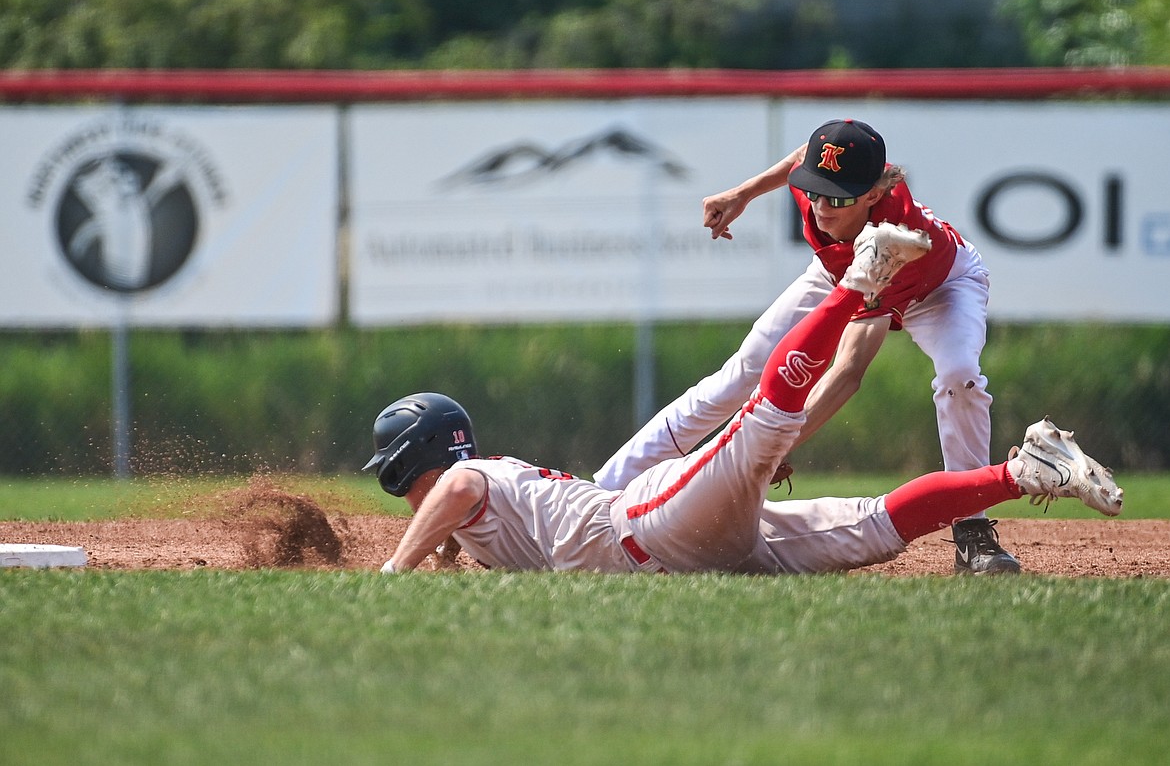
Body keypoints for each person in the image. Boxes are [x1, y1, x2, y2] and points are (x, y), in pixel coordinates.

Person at [366, 227, 1123, 575]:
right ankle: (1027, 470)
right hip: (715, 555)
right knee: (874, 527)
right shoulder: (478, 512)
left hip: (653, 524)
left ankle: (859, 279)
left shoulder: (475, 483)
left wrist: (398, 568)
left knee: (761, 424)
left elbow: (459, 486)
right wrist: (442, 558)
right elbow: (464, 508)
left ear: (411, 464)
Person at [593, 117, 1013, 574]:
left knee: (958, 376)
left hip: (938, 286)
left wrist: (780, 443)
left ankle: (972, 530)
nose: (820, 207)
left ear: (872, 196)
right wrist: (741, 195)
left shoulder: (897, 236)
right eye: (814, 190)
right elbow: (800, 158)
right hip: (840, 272)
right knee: (743, 371)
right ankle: (602, 490)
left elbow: (849, 370)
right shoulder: (823, 187)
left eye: (836, 198)